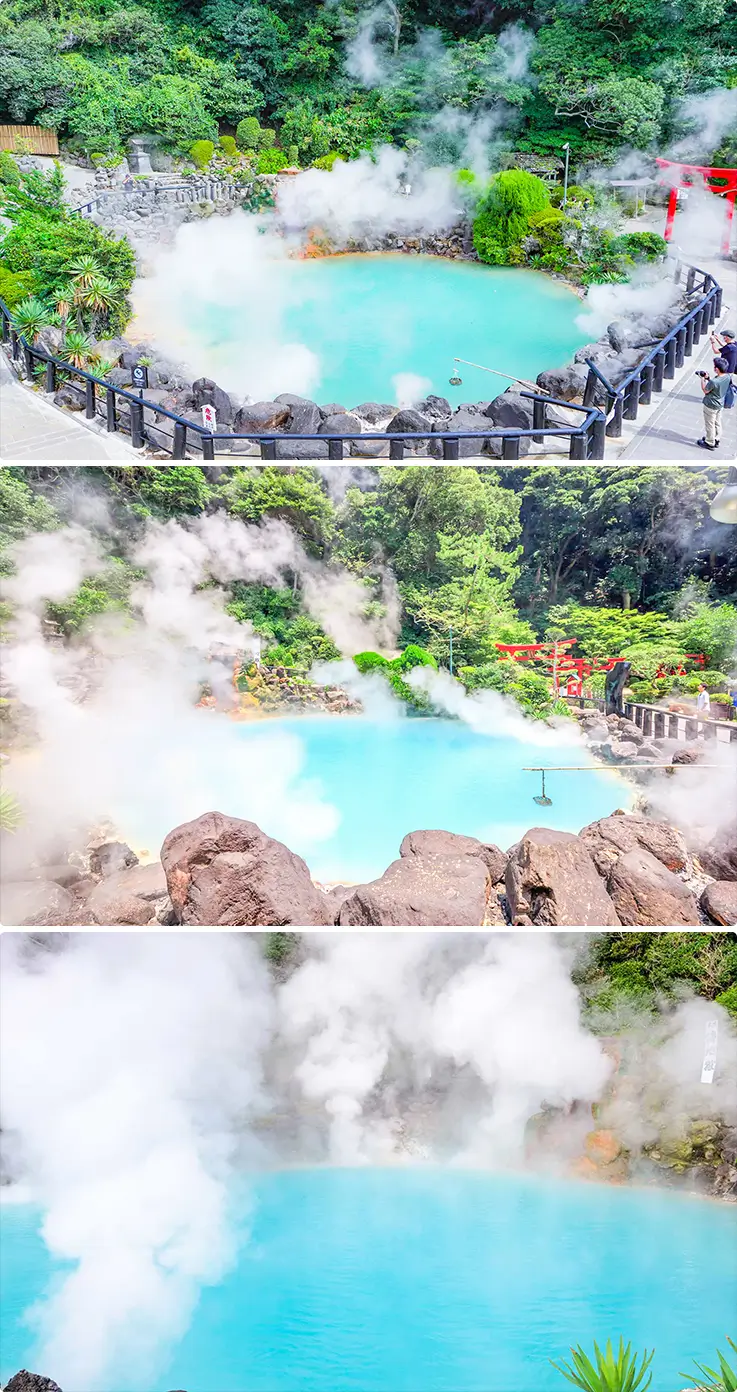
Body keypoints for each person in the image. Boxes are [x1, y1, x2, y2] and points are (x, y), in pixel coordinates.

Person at [697, 357, 731, 449]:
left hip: (711, 405)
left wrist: (702, 379)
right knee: (717, 422)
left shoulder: (714, 381)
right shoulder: (727, 376)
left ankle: (709, 442)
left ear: (717, 369)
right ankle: (716, 438)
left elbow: (705, 390)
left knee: (710, 424)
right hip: (720, 404)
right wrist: (708, 378)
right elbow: (716, 386)